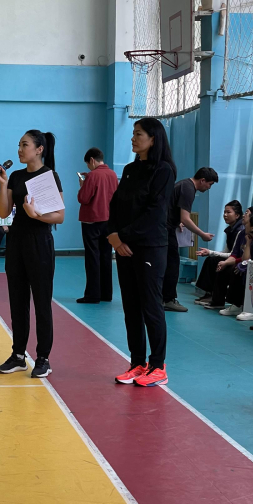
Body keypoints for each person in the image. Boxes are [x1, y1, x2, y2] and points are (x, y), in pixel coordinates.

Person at [107, 118, 176, 387]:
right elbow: (116, 205)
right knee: (131, 307)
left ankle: (158, 366)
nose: (133, 138)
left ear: (153, 139)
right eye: (133, 134)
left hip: (150, 247)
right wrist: (113, 235)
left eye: (138, 134)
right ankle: (137, 363)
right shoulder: (129, 169)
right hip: (124, 247)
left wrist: (122, 236)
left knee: (151, 306)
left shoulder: (164, 170)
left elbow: (155, 212)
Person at [0, 130, 65, 379]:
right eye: (19, 145)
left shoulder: (49, 176)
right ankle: (18, 355)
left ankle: (43, 358)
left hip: (40, 243)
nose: (19, 149)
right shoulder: (15, 176)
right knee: (17, 301)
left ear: (39, 149)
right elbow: (4, 212)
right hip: (16, 242)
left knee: (42, 302)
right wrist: (3, 184)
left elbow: (59, 216)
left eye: (24, 145)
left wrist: (36, 215)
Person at [163, 167, 218, 312]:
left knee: (166, 263)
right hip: (165, 229)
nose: (209, 188)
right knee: (172, 264)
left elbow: (173, 209)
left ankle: (163, 297)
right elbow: (185, 218)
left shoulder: (183, 184)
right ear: (202, 180)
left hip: (165, 226)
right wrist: (202, 234)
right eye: (210, 184)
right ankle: (168, 299)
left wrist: (177, 221)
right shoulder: (188, 189)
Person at [76, 147, 119, 304]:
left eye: (88, 164)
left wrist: (83, 184)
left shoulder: (93, 176)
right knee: (106, 256)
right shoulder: (113, 174)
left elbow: (83, 198)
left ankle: (92, 295)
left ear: (92, 160)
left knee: (92, 257)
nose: (89, 167)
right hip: (109, 220)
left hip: (92, 221)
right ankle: (106, 293)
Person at [204, 205, 253, 310]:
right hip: (244, 262)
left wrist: (234, 263)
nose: (243, 215)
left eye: (246, 213)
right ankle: (216, 300)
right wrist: (225, 263)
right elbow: (235, 253)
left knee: (236, 269)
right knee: (222, 267)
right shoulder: (242, 233)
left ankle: (236, 304)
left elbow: (249, 259)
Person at [195, 200, 243, 306]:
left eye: (228, 212)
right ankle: (209, 293)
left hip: (237, 260)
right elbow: (226, 251)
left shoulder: (240, 230)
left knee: (215, 261)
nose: (225, 215)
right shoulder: (230, 229)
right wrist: (210, 253)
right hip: (232, 257)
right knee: (211, 259)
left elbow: (233, 254)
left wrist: (211, 252)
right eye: (224, 212)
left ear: (237, 215)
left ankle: (215, 296)